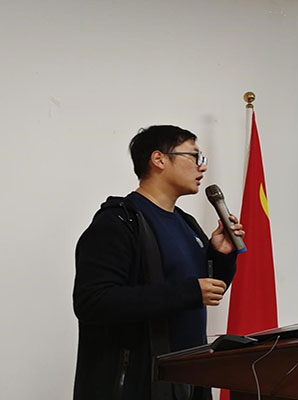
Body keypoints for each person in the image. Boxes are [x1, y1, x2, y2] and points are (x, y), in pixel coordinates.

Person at [72, 125, 244, 400]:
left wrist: (220, 255)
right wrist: (189, 291)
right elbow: (93, 302)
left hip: (191, 378)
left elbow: (208, 291)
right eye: (194, 156)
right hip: (139, 384)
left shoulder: (186, 223)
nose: (202, 167)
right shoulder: (118, 222)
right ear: (159, 159)